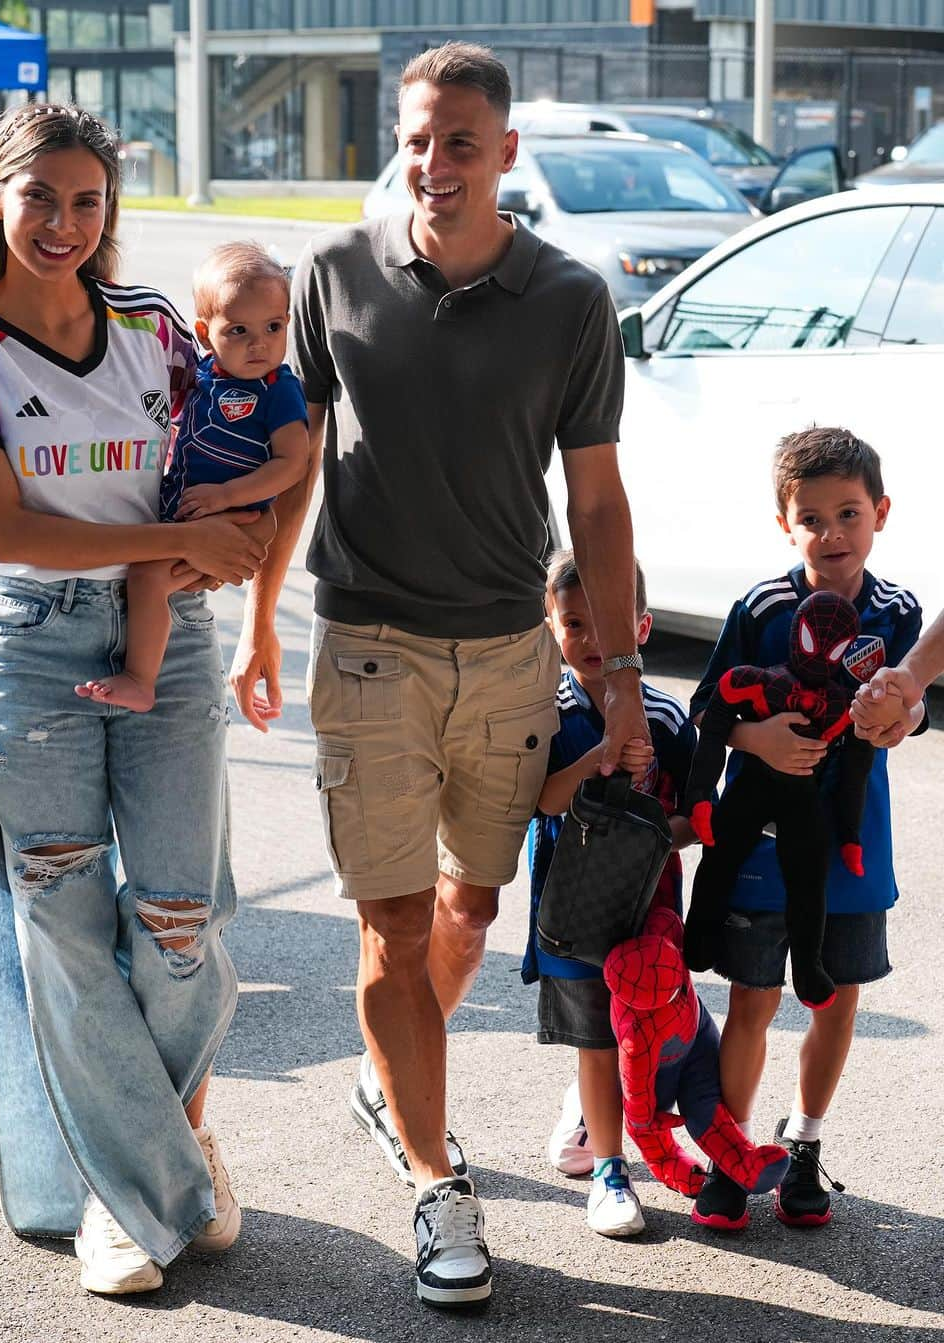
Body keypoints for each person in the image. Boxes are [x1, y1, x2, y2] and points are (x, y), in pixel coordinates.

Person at [229, 42, 649, 1306]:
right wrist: (260, 616)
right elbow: (290, 454)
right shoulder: (337, 272)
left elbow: (600, 498)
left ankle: (389, 1074)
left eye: (461, 140)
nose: (433, 161)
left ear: (506, 152)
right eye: (416, 137)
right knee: (393, 923)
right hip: (365, 645)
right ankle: (432, 1175)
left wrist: (620, 672)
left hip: (513, 650)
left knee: (469, 910)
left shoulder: (571, 300)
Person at [0, 103, 273, 1296]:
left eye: (88, 201)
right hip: (31, 649)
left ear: (109, 212)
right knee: (63, 939)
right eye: (40, 199)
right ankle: (141, 1197)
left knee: (181, 925)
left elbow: (241, 463)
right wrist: (185, 537)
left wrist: (243, 556)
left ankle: (144, 1169)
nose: (64, 224)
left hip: (168, 640)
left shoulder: (158, 330)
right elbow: (8, 527)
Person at [688, 426, 927, 1233]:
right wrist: (755, 739)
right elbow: (705, 709)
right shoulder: (760, 607)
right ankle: (730, 1151)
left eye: (849, 514)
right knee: (751, 995)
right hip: (758, 839)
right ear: (783, 523)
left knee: (837, 995)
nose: (832, 535)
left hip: (854, 838)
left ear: (881, 513)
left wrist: (906, 713)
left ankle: (805, 1146)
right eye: (812, 518)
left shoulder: (899, 612)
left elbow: (921, 704)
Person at [523, 551, 697, 1238]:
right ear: (549, 627)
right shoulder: (546, 711)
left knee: (640, 1035)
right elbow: (538, 797)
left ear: (643, 627)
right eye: (573, 623)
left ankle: (586, 1114)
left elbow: (694, 817)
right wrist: (599, 760)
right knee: (597, 1036)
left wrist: (653, 826)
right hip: (570, 906)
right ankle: (610, 1170)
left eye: (609, 624)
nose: (592, 641)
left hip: (647, 908)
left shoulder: (667, 717)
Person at [75, 241, 308, 712]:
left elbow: (292, 463)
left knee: (148, 578)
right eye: (238, 330)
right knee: (142, 574)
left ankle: (141, 679)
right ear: (204, 333)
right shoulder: (202, 373)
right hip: (187, 512)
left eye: (274, 327)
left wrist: (229, 495)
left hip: (236, 518)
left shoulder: (278, 388)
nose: (259, 343)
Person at [852, 606, 944, 744]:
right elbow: (910, 690)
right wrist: (913, 674)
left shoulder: (899, 607)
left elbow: (914, 705)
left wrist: (899, 720)